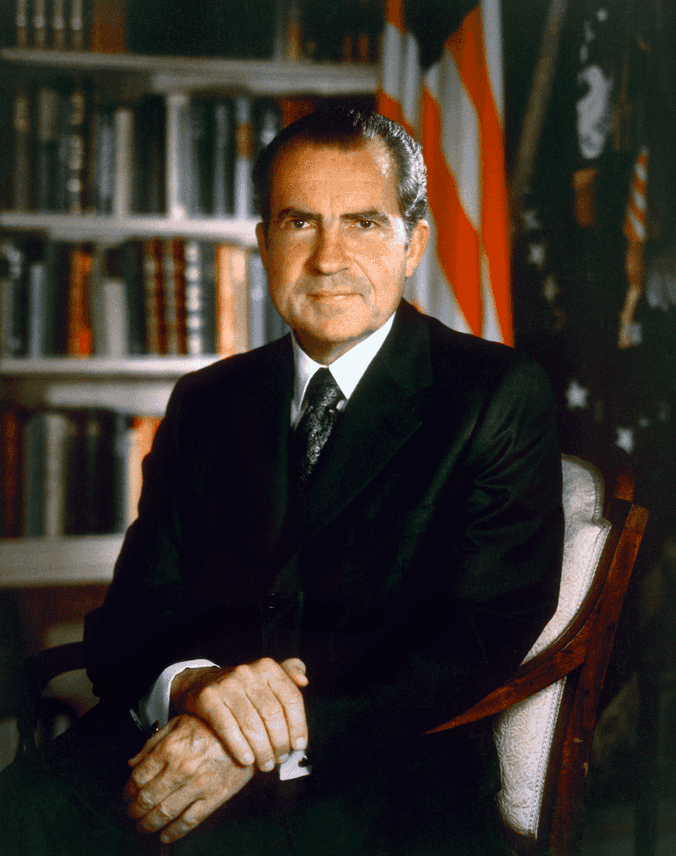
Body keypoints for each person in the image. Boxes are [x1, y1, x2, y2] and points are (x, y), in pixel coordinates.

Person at [1, 108, 563, 856]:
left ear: (412, 244)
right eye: (300, 223)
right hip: (171, 739)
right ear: (264, 244)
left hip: (373, 775)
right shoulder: (206, 400)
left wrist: (260, 738)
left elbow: (478, 634)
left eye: (364, 223)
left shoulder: (494, 394)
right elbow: (132, 616)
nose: (329, 257)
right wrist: (197, 690)